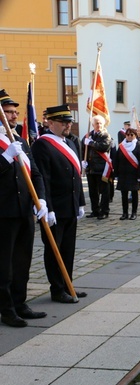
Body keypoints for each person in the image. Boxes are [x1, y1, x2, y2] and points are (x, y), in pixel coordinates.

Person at [0, 90, 49, 327]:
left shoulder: (19, 140)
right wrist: (5, 158)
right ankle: (7, 309)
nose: (13, 116)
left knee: (23, 261)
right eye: (8, 112)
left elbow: (36, 174)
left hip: (24, 211)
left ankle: (20, 303)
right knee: (4, 265)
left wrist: (41, 200)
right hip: (3, 212)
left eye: (15, 112)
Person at [31, 105, 86, 304]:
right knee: (54, 250)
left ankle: (68, 284)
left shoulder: (70, 143)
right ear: (50, 122)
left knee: (68, 249)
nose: (68, 125)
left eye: (69, 122)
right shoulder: (42, 145)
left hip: (70, 205)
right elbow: (43, 178)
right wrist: (49, 209)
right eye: (63, 122)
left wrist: (80, 202)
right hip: (55, 208)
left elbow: (76, 177)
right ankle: (57, 289)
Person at [82, 115, 112, 219]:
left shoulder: (106, 135)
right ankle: (95, 210)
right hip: (91, 168)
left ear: (103, 124)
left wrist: (91, 142)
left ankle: (104, 211)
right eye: (96, 123)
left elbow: (104, 147)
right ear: (93, 124)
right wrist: (83, 161)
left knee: (104, 191)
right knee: (92, 191)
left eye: (100, 123)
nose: (98, 125)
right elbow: (83, 148)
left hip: (102, 168)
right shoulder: (88, 135)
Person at [114, 128, 140, 220]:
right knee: (124, 194)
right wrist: (116, 173)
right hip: (123, 174)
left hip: (134, 174)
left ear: (135, 136)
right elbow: (116, 160)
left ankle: (134, 213)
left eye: (131, 135)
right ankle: (125, 213)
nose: (129, 136)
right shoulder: (121, 146)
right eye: (127, 135)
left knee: (134, 193)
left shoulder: (138, 145)